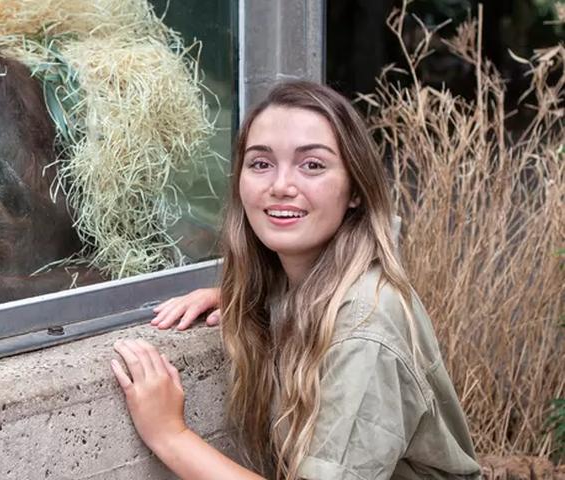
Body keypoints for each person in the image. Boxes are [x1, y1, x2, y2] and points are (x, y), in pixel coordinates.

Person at [110, 81, 481, 479]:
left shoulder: (363, 329)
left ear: (355, 189)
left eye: (312, 165)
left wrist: (171, 434)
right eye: (261, 163)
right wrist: (245, 295)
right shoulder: (306, 281)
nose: (281, 186)